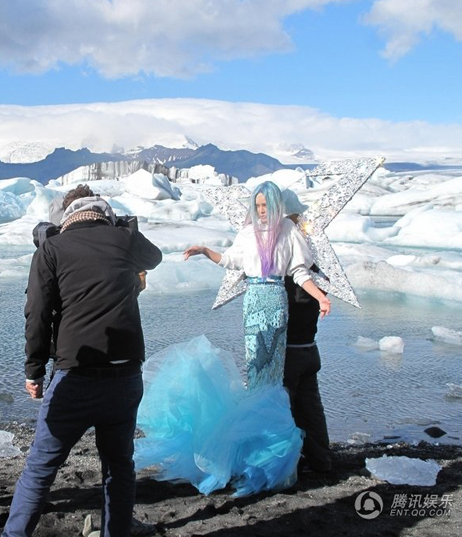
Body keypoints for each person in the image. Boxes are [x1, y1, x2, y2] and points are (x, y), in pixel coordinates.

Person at [135, 181, 330, 497]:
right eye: (259, 205)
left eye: (268, 205)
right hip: (253, 299)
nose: (263, 211)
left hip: (275, 300)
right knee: (257, 377)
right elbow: (230, 261)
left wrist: (321, 298)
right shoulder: (247, 233)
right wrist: (204, 251)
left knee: (271, 379)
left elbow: (300, 273)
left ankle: (272, 457)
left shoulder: (289, 234)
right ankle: (258, 453)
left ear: (279, 206)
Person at [3, 185, 163, 537]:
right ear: (104, 211)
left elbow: (37, 314)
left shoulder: (52, 249)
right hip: (125, 373)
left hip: (75, 374)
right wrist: (122, 227)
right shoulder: (124, 239)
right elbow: (155, 257)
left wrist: (34, 370)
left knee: (41, 466)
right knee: (119, 465)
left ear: (64, 217)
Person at [281, 190, 332, 473]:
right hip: (309, 347)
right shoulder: (313, 254)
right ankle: (321, 460)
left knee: (282, 409)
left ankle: (287, 466)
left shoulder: (287, 260)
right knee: (311, 407)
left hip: (288, 351)